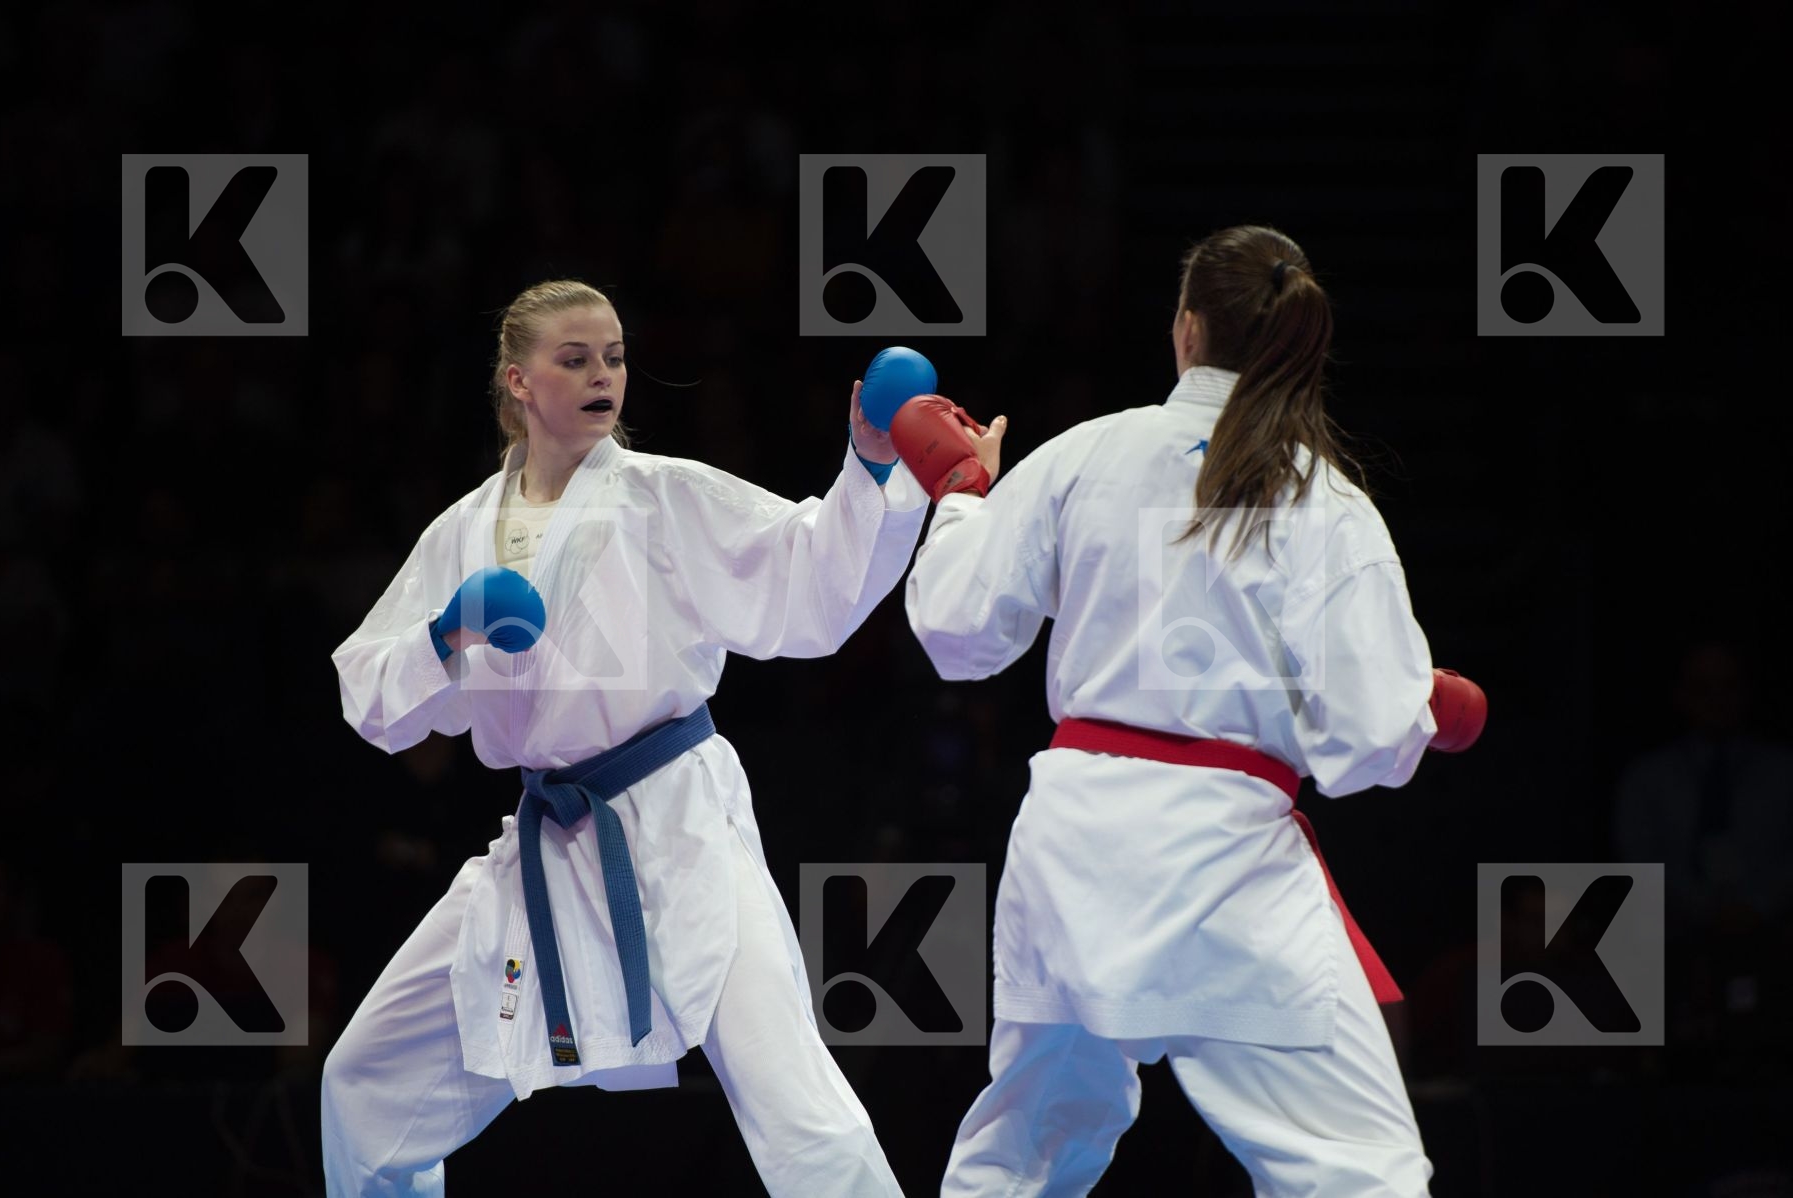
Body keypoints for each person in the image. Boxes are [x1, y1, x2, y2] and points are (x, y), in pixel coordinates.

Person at [894, 226, 1486, 1197]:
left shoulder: (1087, 452)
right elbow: (1369, 737)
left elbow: (958, 630)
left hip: (1071, 839)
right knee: (1357, 1172)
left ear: (1187, 329)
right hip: (1222, 856)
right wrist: (1427, 708)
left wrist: (963, 494)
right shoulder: (1324, 497)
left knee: (1021, 1158)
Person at [322, 279, 928, 1196]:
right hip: (543, 846)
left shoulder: (664, 498)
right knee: (364, 1085)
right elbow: (372, 697)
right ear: (519, 382)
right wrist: (443, 637)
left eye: (613, 357)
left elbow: (809, 586)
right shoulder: (460, 535)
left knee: (800, 1109)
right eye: (575, 360)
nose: (604, 375)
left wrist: (871, 465)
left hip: (680, 829)